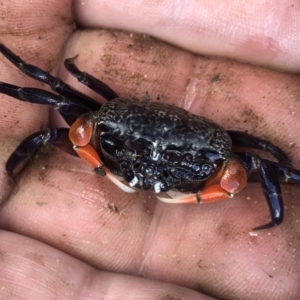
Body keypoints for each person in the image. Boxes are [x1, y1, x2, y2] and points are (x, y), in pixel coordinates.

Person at [0, 1, 299, 299]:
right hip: (123, 124)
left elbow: (257, 164)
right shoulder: (97, 123)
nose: (150, 175)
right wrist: (73, 73)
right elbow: (51, 90)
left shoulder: (225, 162)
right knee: (51, 110)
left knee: (274, 170)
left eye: (179, 167)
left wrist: (273, 159)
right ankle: (9, 168)